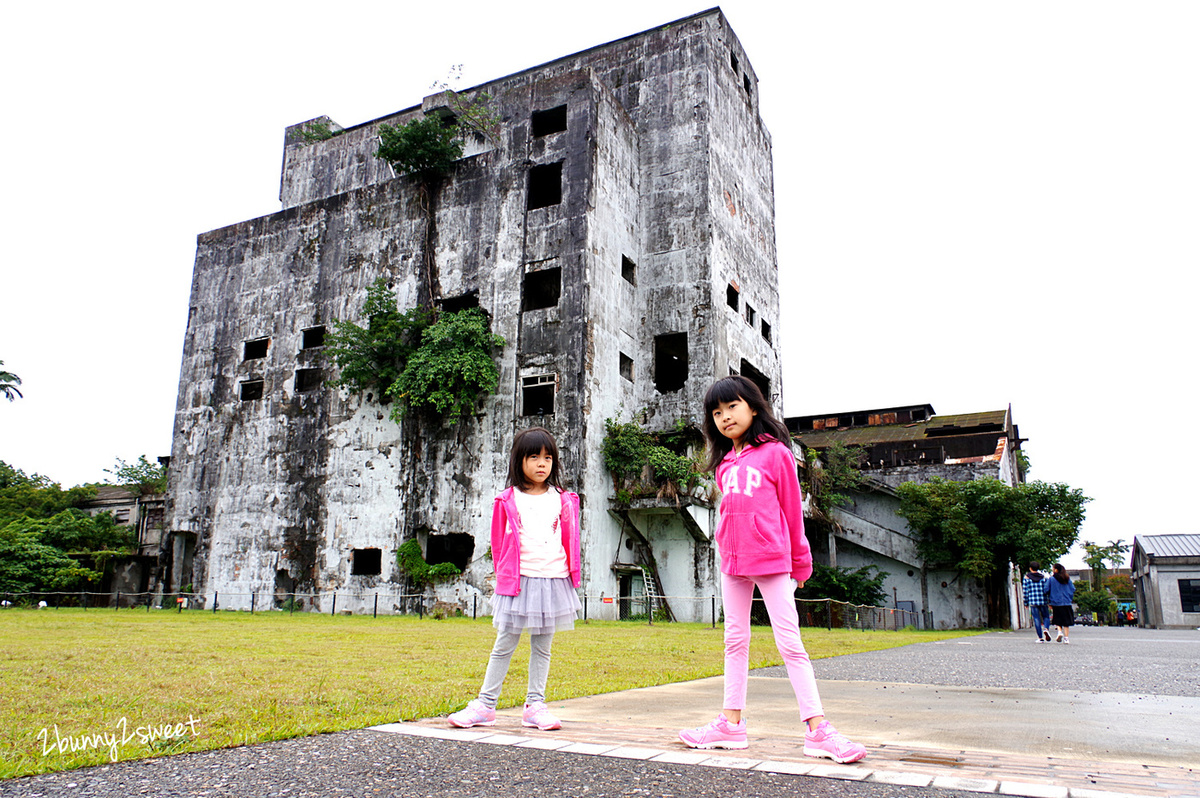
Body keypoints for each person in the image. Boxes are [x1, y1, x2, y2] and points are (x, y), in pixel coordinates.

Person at [678, 376, 867, 764]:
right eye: (716, 412)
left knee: (790, 644)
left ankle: (818, 730)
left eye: (732, 407)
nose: (725, 417)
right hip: (732, 564)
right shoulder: (724, 464)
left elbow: (792, 512)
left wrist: (801, 563)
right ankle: (730, 724)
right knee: (735, 641)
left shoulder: (776, 453)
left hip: (772, 561)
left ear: (752, 406)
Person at [447, 427, 582, 731]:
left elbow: (570, 540)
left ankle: (535, 705)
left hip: (553, 579)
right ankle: (484, 705)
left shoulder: (564, 499)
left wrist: (573, 575)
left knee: (543, 646)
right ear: (519, 461)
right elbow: (498, 543)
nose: (541, 464)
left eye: (548, 457)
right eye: (534, 456)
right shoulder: (507, 499)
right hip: (518, 580)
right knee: (504, 643)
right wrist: (504, 574)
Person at [1022, 561, 1051, 642]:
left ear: (1030, 568)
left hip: (1033, 601)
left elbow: (1025, 591)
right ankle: (1046, 629)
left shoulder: (1026, 578)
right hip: (1043, 600)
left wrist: (1026, 602)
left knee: (1036, 618)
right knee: (1046, 617)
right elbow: (1047, 589)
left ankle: (1040, 638)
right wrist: (1049, 600)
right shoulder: (1043, 578)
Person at [1046, 563, 1075, 644]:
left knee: (1057, 619)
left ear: (1056, 570)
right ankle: (1066, 638)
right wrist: (1069, 597)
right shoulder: (1067, 579)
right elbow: (1073, 589)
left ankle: (1059, 632)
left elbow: (1046, 589)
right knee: (1066, 621)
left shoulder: (1051, 579)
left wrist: (1050, 598)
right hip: (1067, 602)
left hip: (1056, 602)